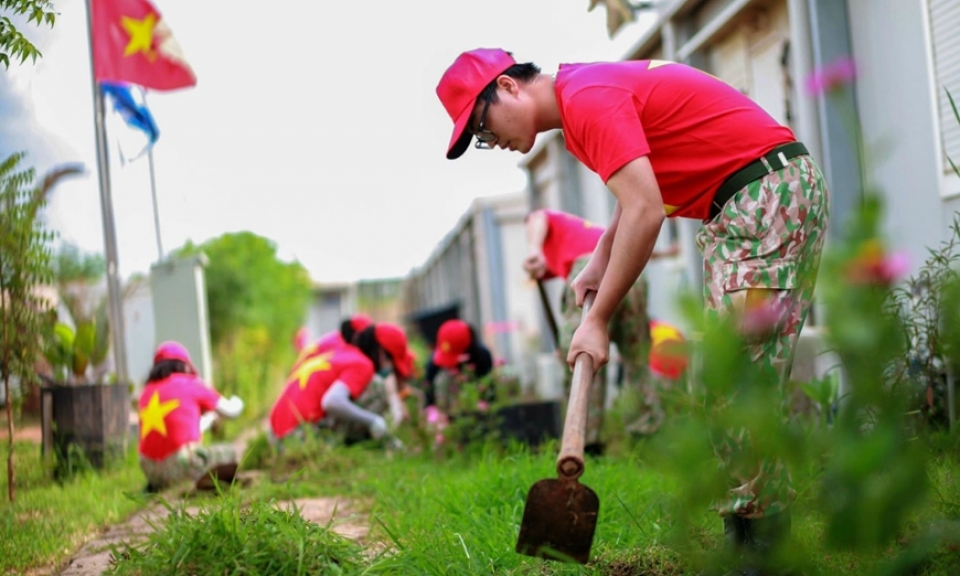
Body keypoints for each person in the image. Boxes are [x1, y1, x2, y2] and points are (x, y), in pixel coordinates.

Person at [437, 48, 829, 569]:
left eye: (483, 127)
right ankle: (749, 537)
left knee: (734, 381)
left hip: (765, 201)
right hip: (747, 208)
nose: (493, 143)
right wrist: (600, 258)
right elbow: (640, 190)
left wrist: (597, 321)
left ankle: (762, 547)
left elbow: (647, 210)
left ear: (508, 87)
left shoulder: (586, 100)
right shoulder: (585, 100)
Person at [525, 208, 666, 452]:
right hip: (630, 270)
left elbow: (538, 219)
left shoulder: (544, 219)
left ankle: (584, 443)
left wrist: (534, 250)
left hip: (590, 271)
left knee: (582, 357)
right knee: (636, 358)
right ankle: (646, 435)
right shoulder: (583, 233)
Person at [268, 322, 412, 448]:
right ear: (381, 353)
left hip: (275, 436)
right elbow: (331, 401)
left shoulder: (343, 351)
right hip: (298, 438)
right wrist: (373, 421)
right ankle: (365, 442)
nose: (389, 370)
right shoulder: (363, 364)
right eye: (391, 364)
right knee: (377, 386)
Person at [138, 341, 244, 492]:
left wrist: (210, 419)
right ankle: (202, 480)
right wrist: (237, 400)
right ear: (185, 366)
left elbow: (178, 430)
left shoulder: (146, 392)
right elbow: (232, 412)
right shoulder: (191, 383)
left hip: (151, 470)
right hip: (183, 464)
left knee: (176, 457)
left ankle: (160, 484)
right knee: (229, 452)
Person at [423, 319, 495, 418]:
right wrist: (431, 410)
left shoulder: (481, 356)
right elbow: (428, 387)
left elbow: (488, 388)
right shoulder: (434, 361)